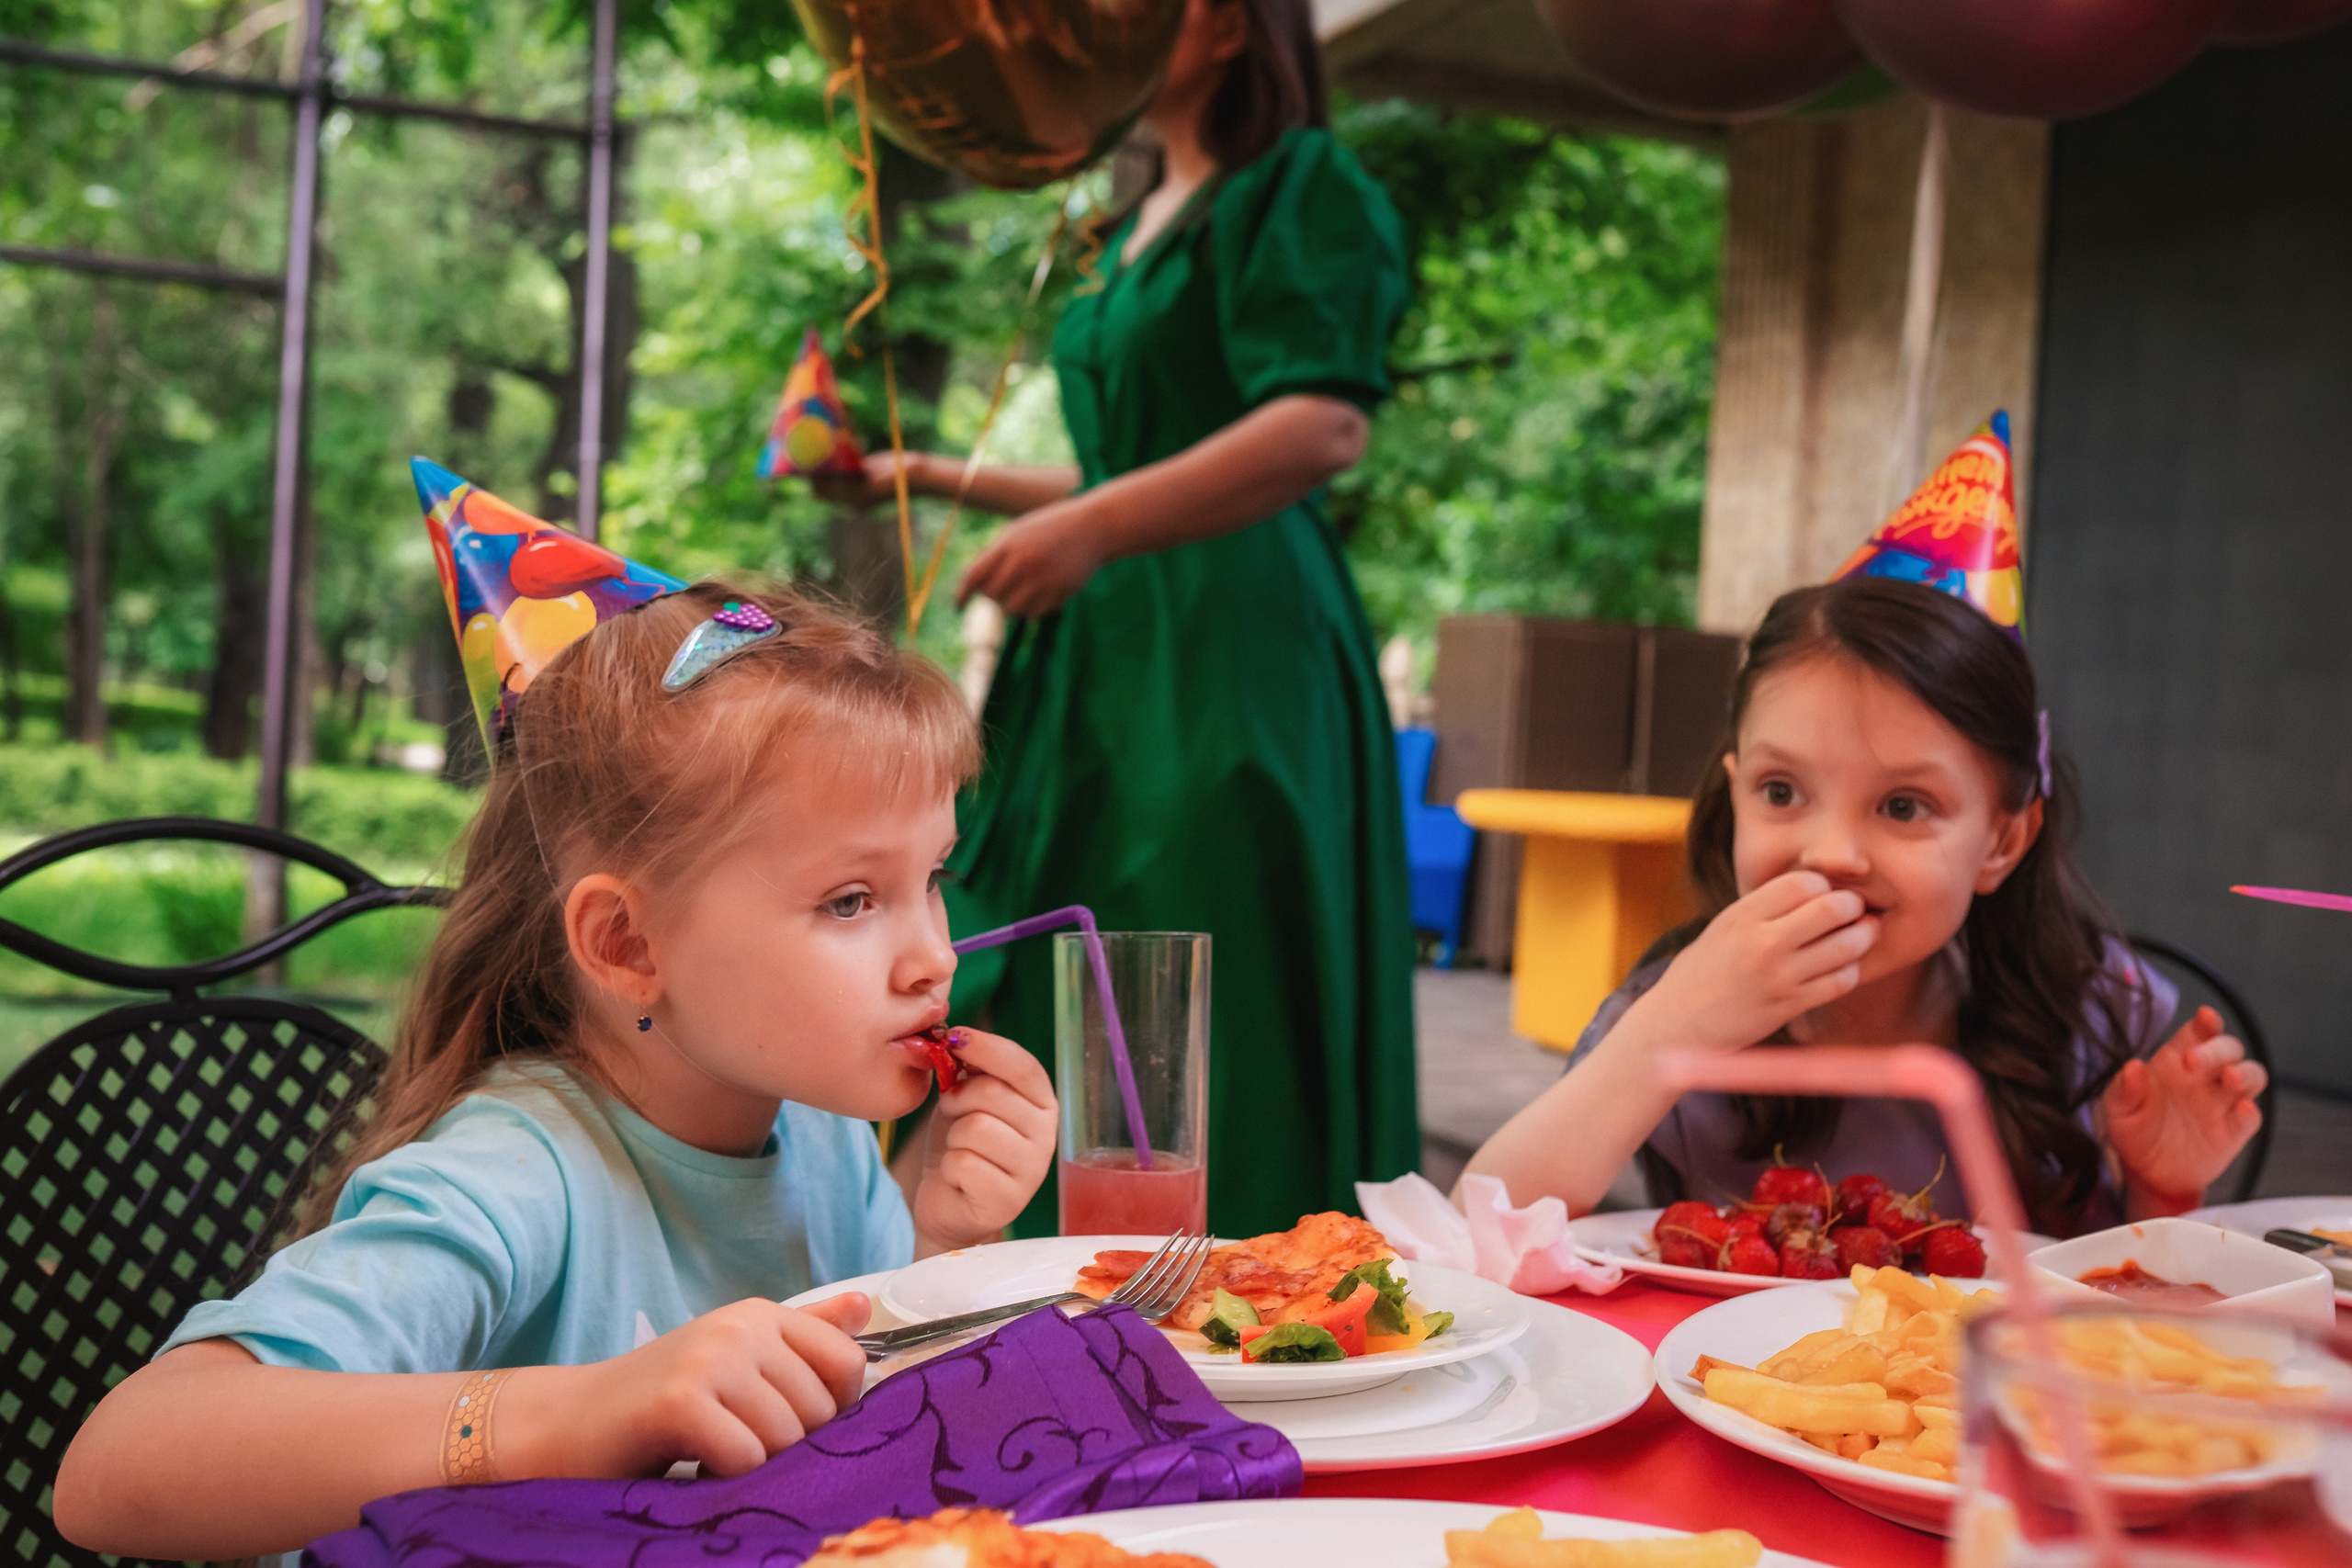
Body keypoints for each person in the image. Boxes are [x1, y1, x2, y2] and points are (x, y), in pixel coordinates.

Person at [55, 582, 1057, 1560]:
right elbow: (118, 1471)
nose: (936, 953)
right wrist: (585, 1408)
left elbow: (886, 1453)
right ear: (626, 943)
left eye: (931, 877)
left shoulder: (823, 1139)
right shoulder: (515, 1171)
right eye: (849, 900)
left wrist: (948, 1240)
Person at [820, 0, 1418, 1235]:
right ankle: (1034, 1281)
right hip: (1115, 645)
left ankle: (1240, 1287)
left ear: (1242, 26)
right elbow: (1124, 465)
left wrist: (1093, 531)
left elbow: (1320, 422)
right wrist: (918, 471)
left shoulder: (1299, 184)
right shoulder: (1135, 219)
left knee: (1205, 951)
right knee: (1066, 938)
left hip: (1230, 647)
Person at [1465, 576, 2267, 1237]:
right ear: (1736, 789)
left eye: (1904, 806)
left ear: (2002, 841)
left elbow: (2121, 1303)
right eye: (1782, 791)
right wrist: (1664, 1034)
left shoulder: (2083, 1008)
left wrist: (2163, 1189)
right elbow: (1476, 1228)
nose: (1832, 852)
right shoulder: (1667, 1006)